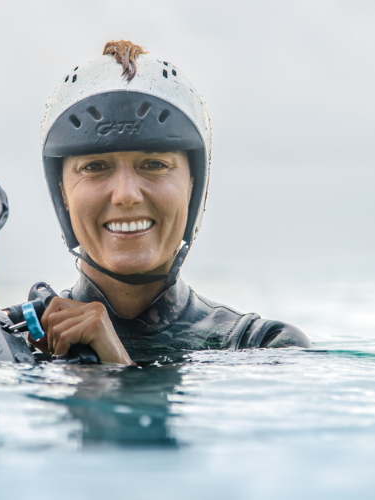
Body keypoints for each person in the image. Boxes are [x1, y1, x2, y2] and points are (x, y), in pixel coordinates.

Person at [30, 40, 311, 365]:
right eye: (95, 167)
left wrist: (116, 367)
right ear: (62, 194)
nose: (125, 195)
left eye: (153, 165)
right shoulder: (19, 345)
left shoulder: (267, 347)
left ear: (193, 187)